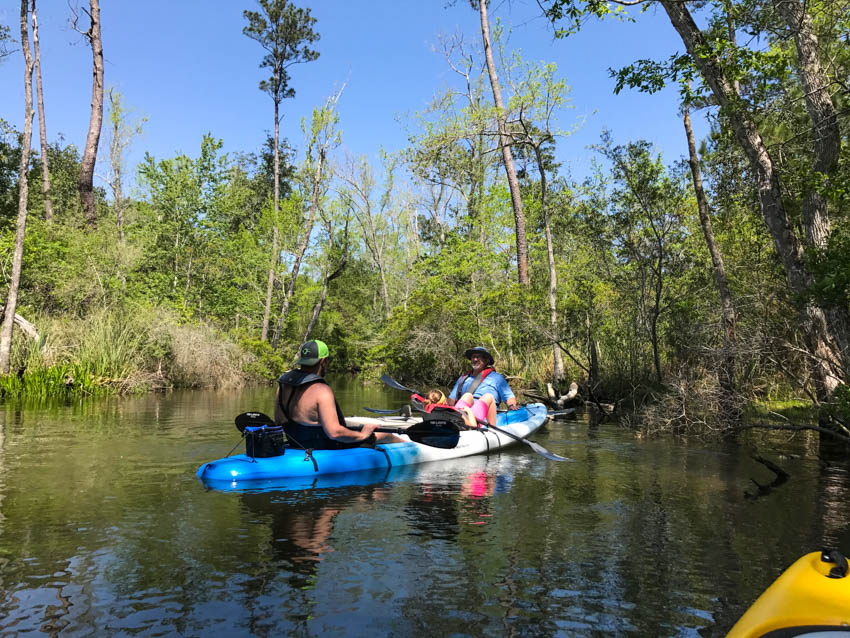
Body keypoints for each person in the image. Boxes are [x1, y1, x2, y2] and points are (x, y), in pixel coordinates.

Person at [275, 339, 404, 449]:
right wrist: (362, 435)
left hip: (296, 443)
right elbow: (335, 433)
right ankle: (416, 449)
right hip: (327, 446)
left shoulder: (283, 384)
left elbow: (279, 421)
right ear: (323, 361)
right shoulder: (322, 390)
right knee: (387, 436)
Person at [446, 346, 519, 425]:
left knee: (487, 397)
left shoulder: (497, 378)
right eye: (473, 357)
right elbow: (451, 401)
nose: (475, 359)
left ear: (486, 361)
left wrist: (511, 405)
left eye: (478, 357)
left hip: (485, 414)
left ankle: (470, 422)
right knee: (467, 396)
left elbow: (509, 397)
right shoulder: (463, 378)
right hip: (464, 411)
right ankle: (458, 420)